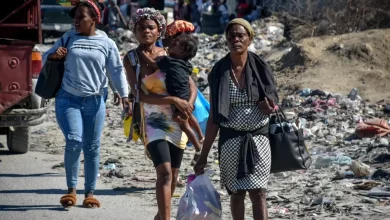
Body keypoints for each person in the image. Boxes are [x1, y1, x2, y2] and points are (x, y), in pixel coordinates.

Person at [43, 0, 130, 208]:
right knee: (74, 140)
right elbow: (47, 56)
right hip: (68, 98)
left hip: (95, 100)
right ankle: (71, 190)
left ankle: (90, 192)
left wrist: (124, 94)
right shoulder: (67, 38)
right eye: (75, 17)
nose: (76, 20)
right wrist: (55, 56)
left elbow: (116, 69)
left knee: (92, 147)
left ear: (94, 20)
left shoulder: (106, 42)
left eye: (81, 16)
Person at [194, 18, 279, 220]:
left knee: (259, 193)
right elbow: (215, 117)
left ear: (249, 39)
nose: (235, 39)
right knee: (237, 193)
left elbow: (274, 102)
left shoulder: (260, 67)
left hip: (259, 140)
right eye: (231, 36)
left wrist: (270, 108)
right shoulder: (219, 71)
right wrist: (203, 155)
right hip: (231, 142)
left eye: (240, 35)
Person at [124, 8, 198, 220]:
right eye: (141, 28)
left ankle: (160, 215)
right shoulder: (131, 59)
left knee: (174, 174)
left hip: (177, 120)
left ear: (159, 31)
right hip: (153, 120)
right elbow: (139, 94)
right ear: (135, 31)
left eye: (150, 27)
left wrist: (187, 106)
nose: (145, 31)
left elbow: (191, 86)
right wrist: (173, 100)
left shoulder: (171, 53)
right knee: (164, 171)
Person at [139, 33, 205, 165]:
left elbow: (152, 63)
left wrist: (141, 52)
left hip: (177, 95)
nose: (172, 44)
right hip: (184, 94)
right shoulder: (185, 64)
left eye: (175, 44)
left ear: (183, 51)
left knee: (184, 124)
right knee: (189, 115)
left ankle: (198, 149)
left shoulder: (168, 61)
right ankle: (200, 135)